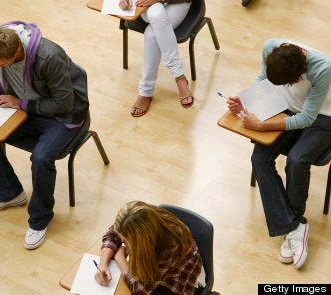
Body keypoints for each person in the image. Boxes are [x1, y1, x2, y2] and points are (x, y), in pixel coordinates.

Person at [0, 22, 89, 250]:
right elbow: (0, 78)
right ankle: (8, 193)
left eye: (3, 63)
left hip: (63, 116)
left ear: (18, 51)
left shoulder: (49, 57)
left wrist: (22, 103)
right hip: (28, 109)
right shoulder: (3, 50)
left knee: (42, 158)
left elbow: (65, 103)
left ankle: (40, 219)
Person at [226, 39, 330, 269]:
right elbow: (262, 81)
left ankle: (290, 228)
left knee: (297, 159)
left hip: (323, 115)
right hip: (289, 108)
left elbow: (306, 119)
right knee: (259, 158)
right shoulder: (270, 47)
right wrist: (245, 101)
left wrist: (261, 126)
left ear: (298, 78)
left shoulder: (323, 68)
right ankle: (295, 227)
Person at [119, 0, 199, 117]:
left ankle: (145, 91)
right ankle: (179, 76)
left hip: (178, 0)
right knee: (156, 16)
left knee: (151, 34)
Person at [94, 201, 202, 294]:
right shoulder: (133, 217)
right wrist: (103, 264)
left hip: (175, 281)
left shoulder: (169, 247)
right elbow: (112, 235)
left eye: (126, 240)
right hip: (158, 270)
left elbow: (141, 290)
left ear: (142, 241)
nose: (122, 241)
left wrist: (120, 258)